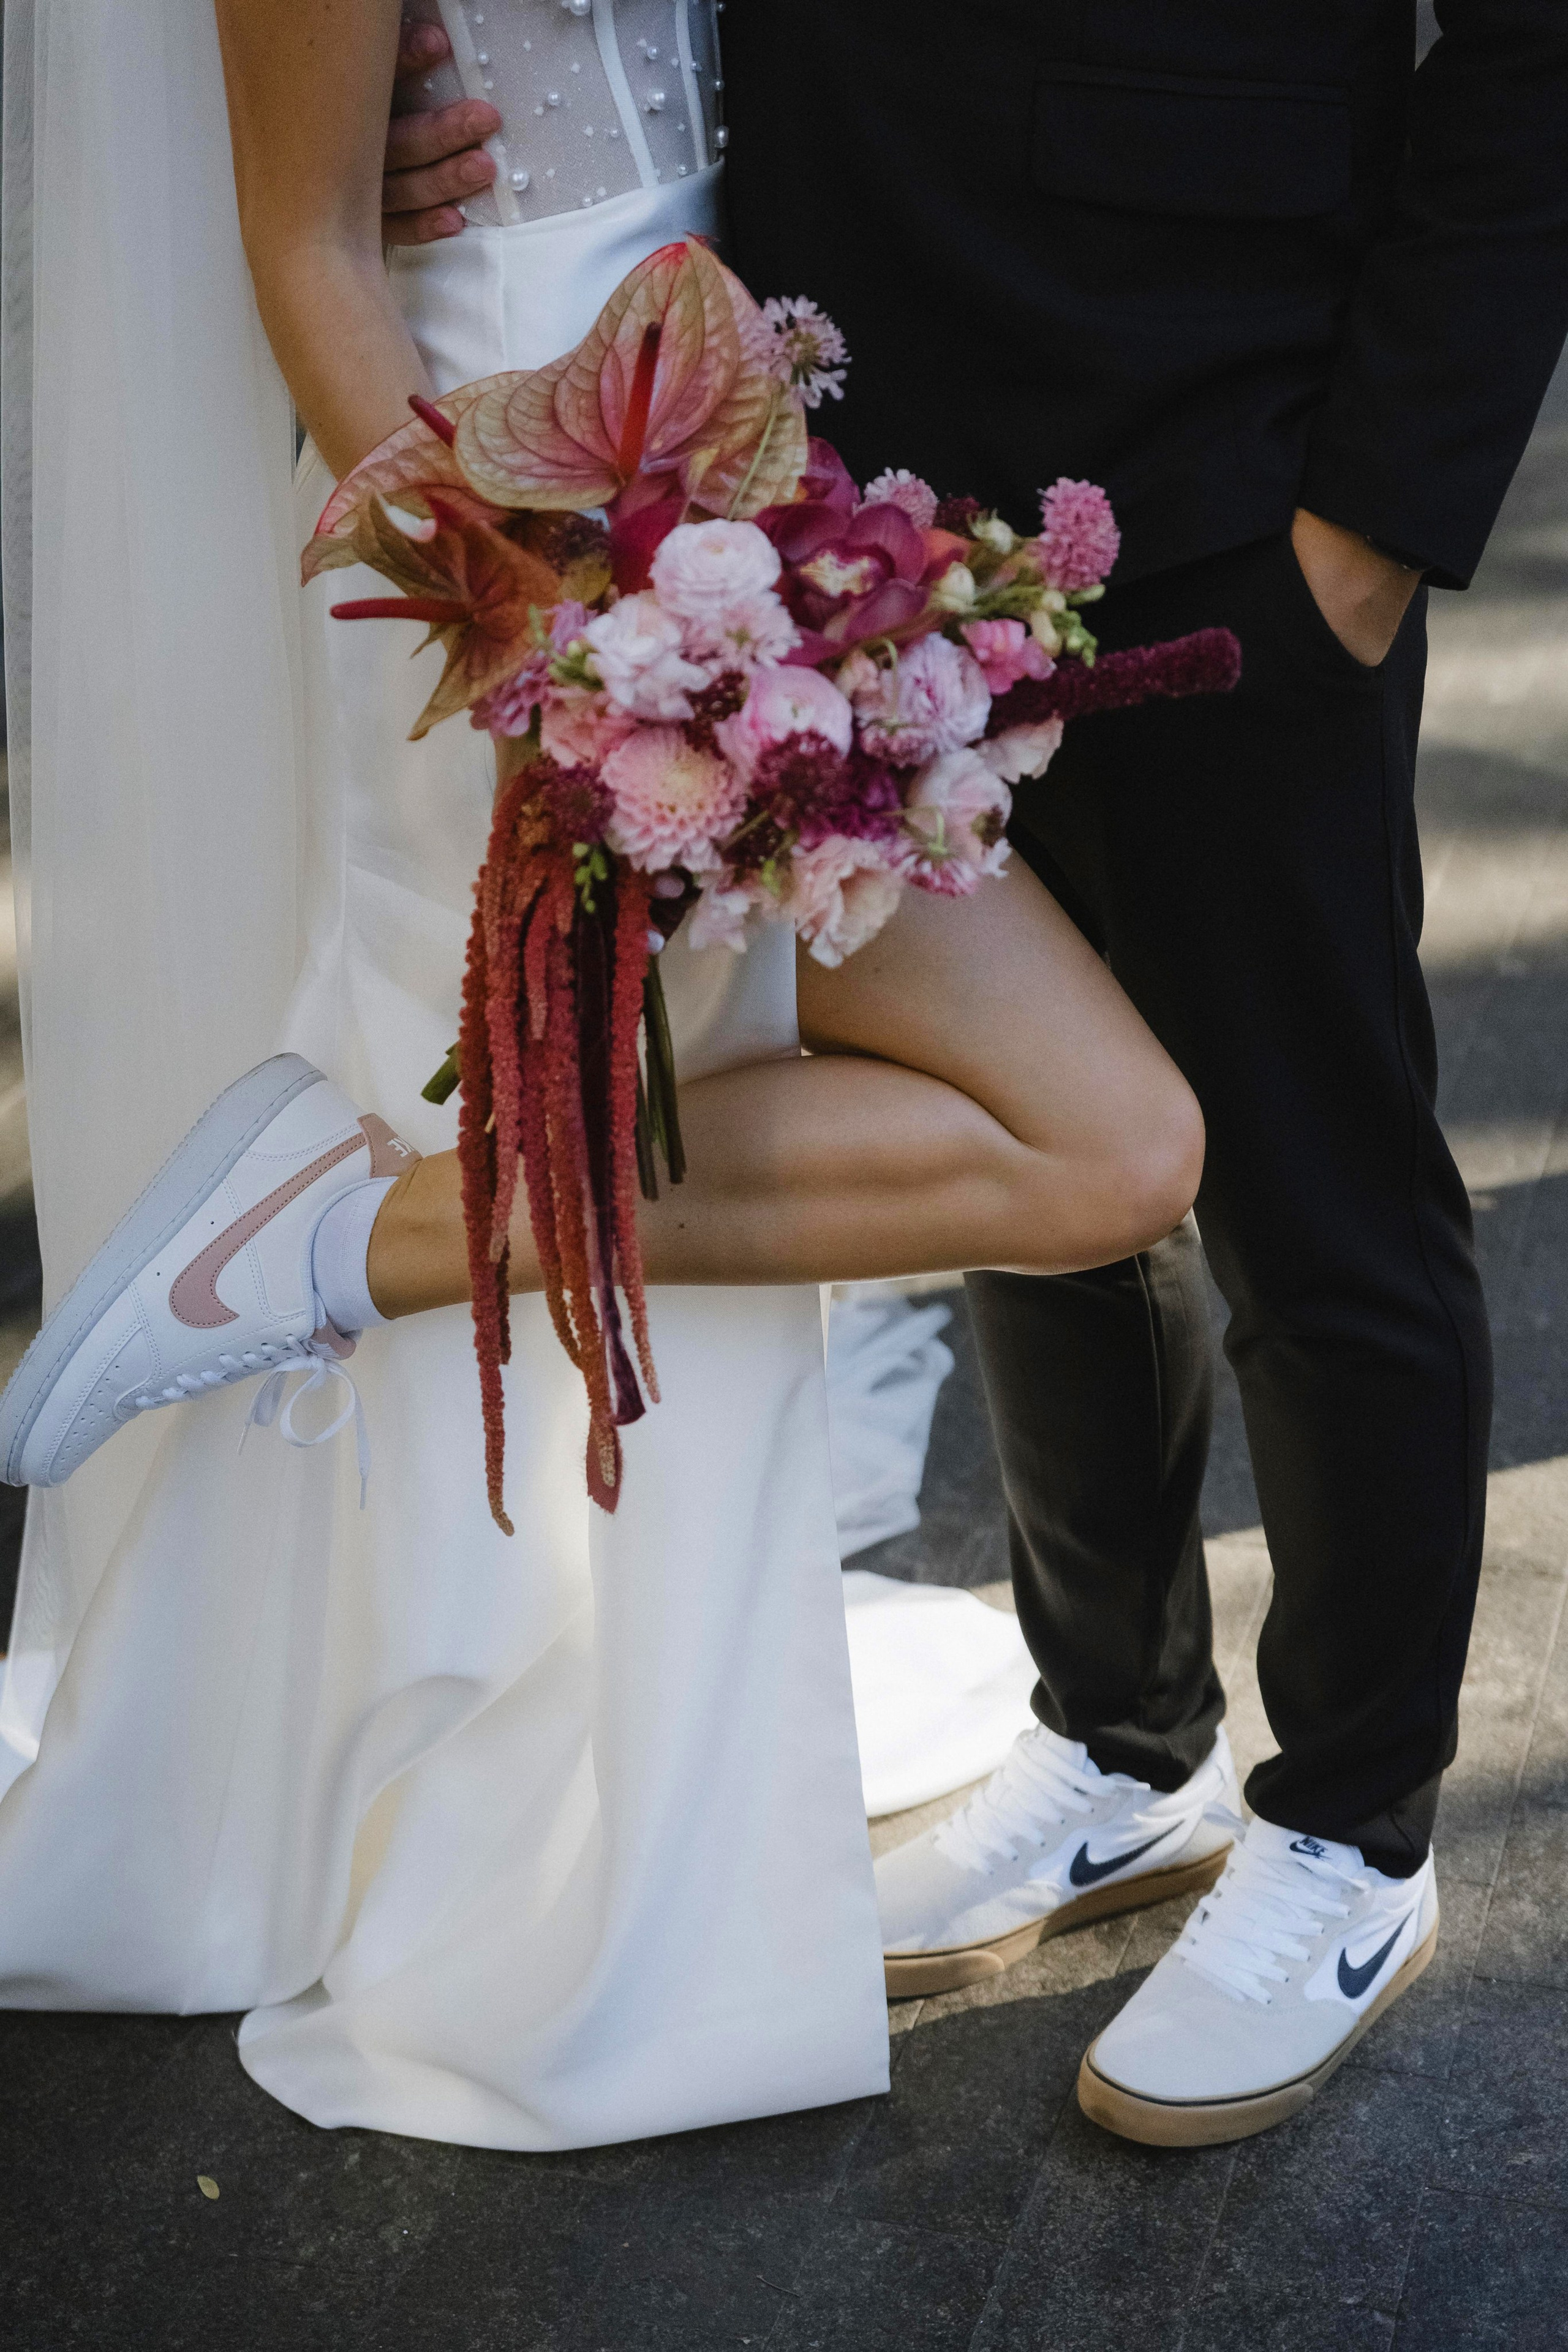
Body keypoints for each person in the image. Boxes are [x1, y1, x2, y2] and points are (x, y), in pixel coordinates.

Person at [0, 0, 1201, 2151]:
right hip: (514, 540)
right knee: (1094, 1146)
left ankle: (354, 1233)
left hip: (733, 467)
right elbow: (306, 252)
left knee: (1111, 1146)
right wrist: (562, 653)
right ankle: (571, 1870)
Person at [374, 0, 1568, 2144]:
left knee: (1309, 1175)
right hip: (860, 457)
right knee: (1020, 1153)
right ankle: (1122, 1745)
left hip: (1240, 439)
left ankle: (1349, 1831)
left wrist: (1380, 510)